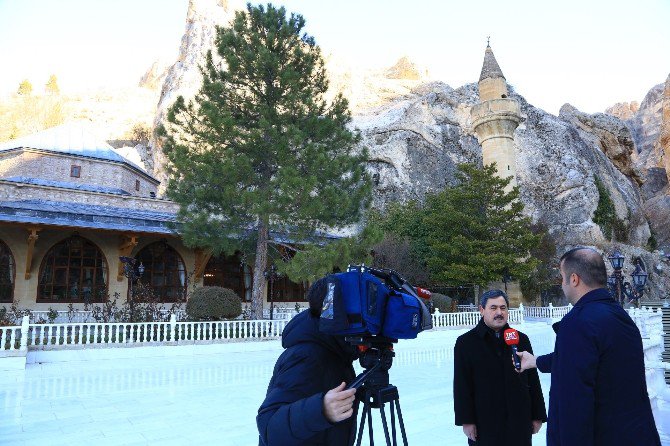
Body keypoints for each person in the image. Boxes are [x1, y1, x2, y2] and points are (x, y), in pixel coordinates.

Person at [517, 247, 661, 446]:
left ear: (574, 279)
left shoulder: (578, 322)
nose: (562, 284)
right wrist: (536, 362)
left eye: (562, 277)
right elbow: (590, 358)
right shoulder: (620, 317)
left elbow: (574, 403)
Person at [257, 278, 359, 446]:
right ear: (338, 312)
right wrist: (321, 410)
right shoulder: (307, 356)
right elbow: (269, 426)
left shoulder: (334, 350)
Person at [453, 289, 546, 445]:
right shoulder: (466, 343)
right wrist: (466, 420)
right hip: (485, 422)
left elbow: (533, 379)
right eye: (493, 308)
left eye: (503, 308)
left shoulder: (521, 339)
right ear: (482, 310)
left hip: (519, 421)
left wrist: (537, 415)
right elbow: (462, 385)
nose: (499, 312)